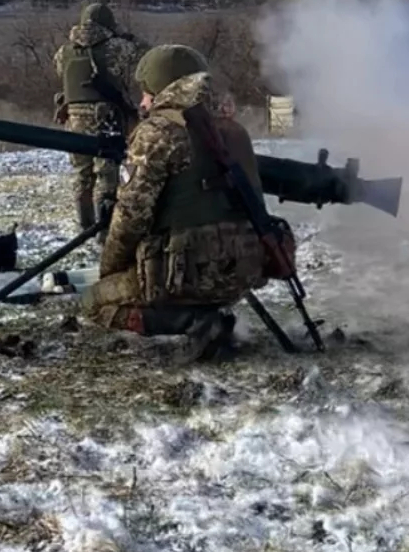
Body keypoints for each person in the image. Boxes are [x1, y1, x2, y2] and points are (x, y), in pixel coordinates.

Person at [75, 44, 272, 361]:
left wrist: (110, 269)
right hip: (241, 272)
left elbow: (131, 218)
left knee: (94, 304)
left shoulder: (157, 132)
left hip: (184, 273)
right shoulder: (233, 130)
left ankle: (197, 321)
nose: (142, 102)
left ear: (164, 88)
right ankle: (208, 314)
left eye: (147, 92)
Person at [51, 3, 146, 234]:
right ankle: (105, 230)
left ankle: (85, 225)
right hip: (106, 115)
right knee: (107, 172)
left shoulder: (65, 51)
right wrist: (128, 37)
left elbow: (60, 72)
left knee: (82, 173)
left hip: (73, 117)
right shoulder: (118, 46)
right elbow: (147, 59)